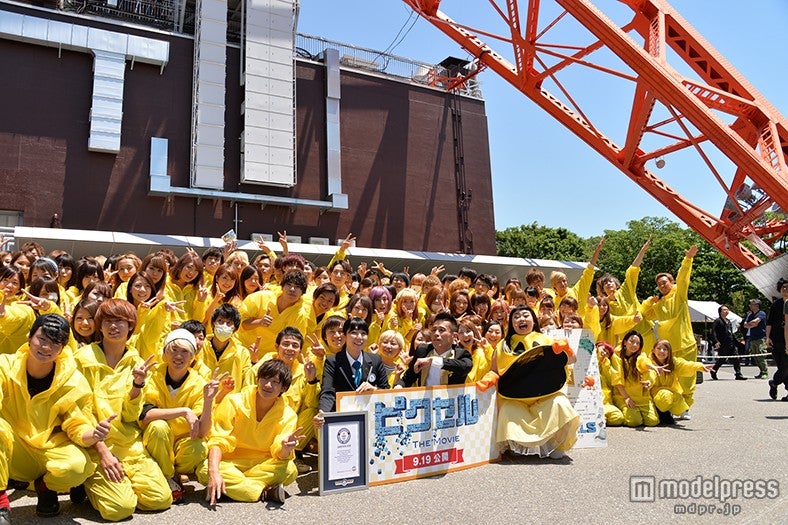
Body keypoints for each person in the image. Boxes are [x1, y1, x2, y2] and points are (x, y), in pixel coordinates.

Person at [0, 314, 114, 519]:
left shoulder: (73, 380)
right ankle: (1, 502)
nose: (46, 348)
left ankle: (45, 487)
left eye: (55, 343)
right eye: (42, 339)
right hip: (13, 448)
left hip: (48, 450)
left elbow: (77, 425)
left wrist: (94, 434)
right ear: (29, 337)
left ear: (63, 348)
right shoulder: (4, 366)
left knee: (79, 467)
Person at [74, 299, 171, 521]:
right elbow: (78, 412)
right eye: (108, 321)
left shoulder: (135, 361)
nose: (114, 327)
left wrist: (137, 385)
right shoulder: (82, 359)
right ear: (100, 326)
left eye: (120, 321)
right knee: (120, 509)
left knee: (160, 499)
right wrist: (103, 452)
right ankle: (90, 482)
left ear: (131, 326)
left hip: (128, 444)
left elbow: (130, 416)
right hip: (95, 446)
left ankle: (119, 485)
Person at [198, 359, 302, 505]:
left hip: (261, 465)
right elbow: (218, 439)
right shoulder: (234, 401)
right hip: (230, 463)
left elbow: (280, 452)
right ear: (257, 379)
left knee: (290, 470)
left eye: (275, 382)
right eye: (265, 379)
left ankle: (231, 488)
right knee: (204, 470)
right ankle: (264, 491)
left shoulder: (288, 415)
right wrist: (214, 472)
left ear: (283, 388)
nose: (267, 385)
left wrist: (285, 449)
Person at [140, 329, 225, 504]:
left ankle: (171, 476)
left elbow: (202, 432)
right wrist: (184, 411)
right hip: (155, 442)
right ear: (165, 353)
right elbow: (146, 415)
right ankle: (169, 477)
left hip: (181, 444)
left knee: (199, 447)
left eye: (185, 351)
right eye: (174, 350)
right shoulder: (153, 377)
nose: (178, 356)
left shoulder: (199, 383)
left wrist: (209, 401)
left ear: (193, 356)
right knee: (158, 427)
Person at [492, 306, 579, 458]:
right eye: (516, 317)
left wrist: (566, 350)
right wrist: (489, 378)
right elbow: (494, 370)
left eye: (525, 315)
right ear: (511, 323)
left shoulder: (546, 339)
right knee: (508, 410)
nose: (521, 319)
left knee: (560, 403)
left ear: (534, 320)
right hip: (515, 398)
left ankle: (555, 445)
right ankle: (517, 446)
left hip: (545, 395)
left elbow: (570, 360)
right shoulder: (503, 345)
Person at [640, 245, 698, 414]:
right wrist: (650, 301)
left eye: (664, 282)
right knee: (669, 378)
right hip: (667, 350)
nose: (662, 286)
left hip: (685, 344)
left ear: (671, 283)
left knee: (687, 379)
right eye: (659, 284)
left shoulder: (679, 295)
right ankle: (672, 405)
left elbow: (683, 278)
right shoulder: (659, 304)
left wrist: (688, 259)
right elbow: (645, 314)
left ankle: (685, 407)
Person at [315, 317, 390, 420]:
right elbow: (328, 392)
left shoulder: (375, 360)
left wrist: (374, 389)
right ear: (345, 335)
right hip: (344, 417)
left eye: (363, 333)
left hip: (370, 416)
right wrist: (323, 413)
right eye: (354, 333)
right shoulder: (333, 361)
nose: (359, 337)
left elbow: (386, 390)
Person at [396, 312, 473, 388]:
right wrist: (398, 387)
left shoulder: (461, 354)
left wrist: (434, 361)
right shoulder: (423, 350)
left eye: (441, 330)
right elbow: (408, 378)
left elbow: (466, 366)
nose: (436, 333)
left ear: (454, 336)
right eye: (433, 330)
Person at [649, 339, 713, 424]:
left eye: (665, 349)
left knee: (678, 404)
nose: (661, 351)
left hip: (670, 391)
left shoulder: (674, 362)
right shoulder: (649, 362)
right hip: (651, 393)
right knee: (664, 397)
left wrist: (700, 366)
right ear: (653, 350)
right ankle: (659, 411)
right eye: (659, 348)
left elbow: (686, 365)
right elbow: (648, 375)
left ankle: (665, 411)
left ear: (669, 352)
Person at [611, 330, 658, 427]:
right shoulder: (616, 356)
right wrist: (626, 398)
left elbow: (645, 365)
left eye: (638, 343)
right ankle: (621, 410)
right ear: (625, 342)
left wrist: (650, 381)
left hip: (641, 397)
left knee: (652, 421)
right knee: (634, 421)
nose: (634, 345)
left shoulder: (641, 356)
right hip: (623, 395)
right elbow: (617, 379)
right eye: (632, 341)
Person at [709, 304, 746, 380]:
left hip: (731, 343)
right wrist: (716, 341)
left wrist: (736, 342)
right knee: (722, 359)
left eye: (727, 309)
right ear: (720, 312)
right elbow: (713, 332)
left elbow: (730, 332)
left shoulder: (728, 321)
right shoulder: (717, 321)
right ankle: (714, 370)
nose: (726, 311)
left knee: (736, 358)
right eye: (724, 310)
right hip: (723, 343)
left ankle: (738, 374)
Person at [766, 279, 788, 400]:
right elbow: (769, 322)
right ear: (779, 289)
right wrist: (768, 337)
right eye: (783, 287)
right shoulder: (776, 305)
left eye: (787, 287)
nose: (785, 289)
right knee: (782, 366)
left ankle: (774, 382)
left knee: (786, 365)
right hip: (777, 339)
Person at [743, 299, 769, 379]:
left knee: (760, 355)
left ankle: (765, 372)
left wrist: (751, 324)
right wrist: (752, 324)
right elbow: (745, 325)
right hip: (752, 338)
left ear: (757, 305)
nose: (750, 305)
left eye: (752, 304)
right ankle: (761, 371)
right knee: (755, 356)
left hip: (760, 338)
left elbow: (755, 322)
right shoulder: (750, 315)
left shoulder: (761, 313)